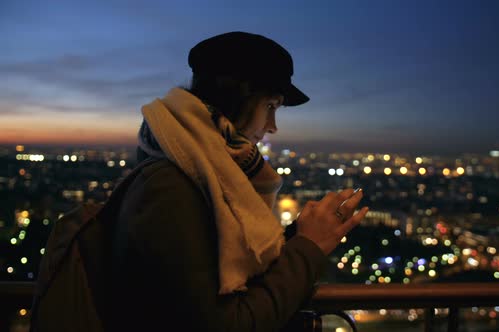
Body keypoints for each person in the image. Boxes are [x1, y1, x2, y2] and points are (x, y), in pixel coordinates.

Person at [106, 31, 369, 331]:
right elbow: (226, 322)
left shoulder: (190, 174)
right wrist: (308, 247)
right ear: (237, 98)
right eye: (270, 106)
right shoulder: (172, 188)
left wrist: (298, 236)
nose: (272, 126)